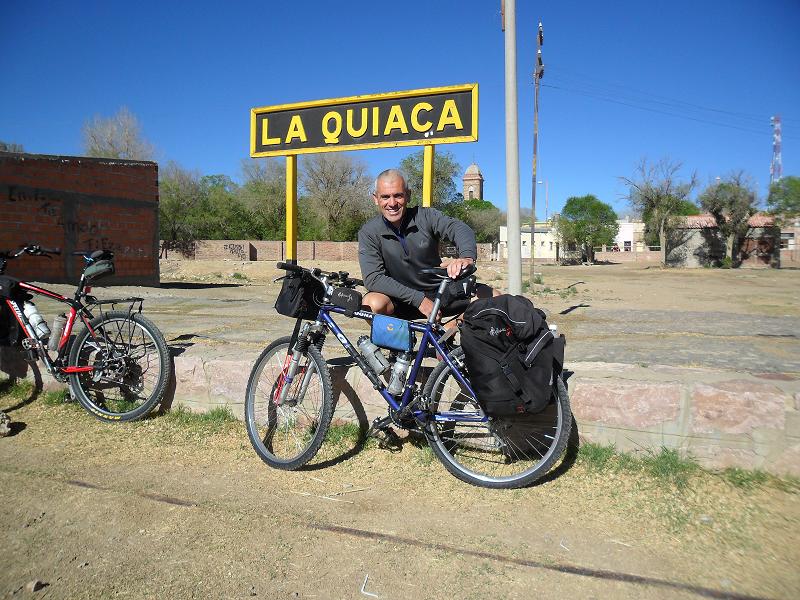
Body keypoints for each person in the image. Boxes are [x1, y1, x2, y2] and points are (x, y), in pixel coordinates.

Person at [358, 169, 494, 320]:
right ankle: (396, 341)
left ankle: (453, 327)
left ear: (408, 195)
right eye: (385, 197)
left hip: (439, 291)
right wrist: (419, 300)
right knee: (371, 303)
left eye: (398, 195)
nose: (392, 203)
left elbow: (458, 228)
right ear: (375, 199)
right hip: (399, 298)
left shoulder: (426, 216)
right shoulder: (369, 232)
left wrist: (467, 257)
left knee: (493, 297)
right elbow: (373, 278)